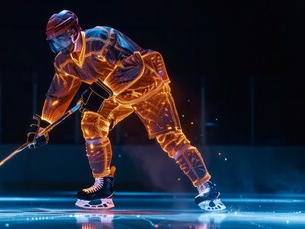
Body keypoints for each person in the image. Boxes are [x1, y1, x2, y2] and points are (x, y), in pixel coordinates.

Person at [26, 9, 226, 211]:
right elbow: (58, 94)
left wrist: (101, 90)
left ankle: (205, 186)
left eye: (61, 40)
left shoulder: (102, 38)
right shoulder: (64, 61)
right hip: (116, 94)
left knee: (170, 138)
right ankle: (102, 184)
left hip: (147, 85)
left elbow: (133, 65)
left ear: (74, 31)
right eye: (54, 44)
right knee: (91, 120)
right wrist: (44, 125)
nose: (60, 47)